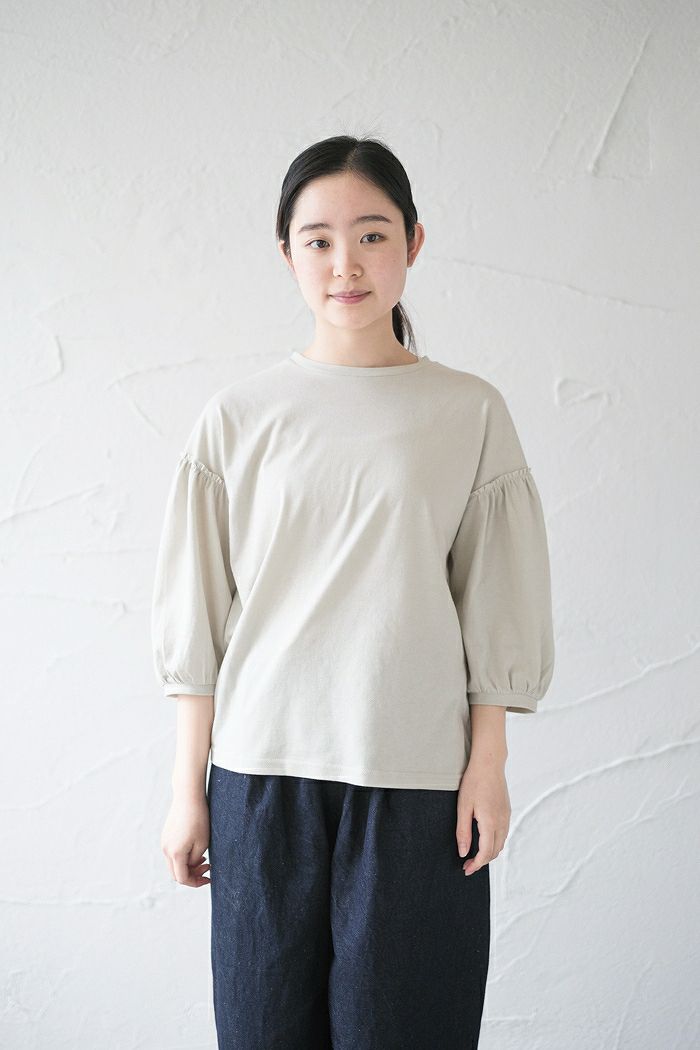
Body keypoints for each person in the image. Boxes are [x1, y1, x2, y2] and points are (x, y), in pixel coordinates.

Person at [151, 133, 555, 1050]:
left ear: (414, 242)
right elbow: (197, 618)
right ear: (287, 254)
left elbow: (496, 599)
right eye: (320, 240)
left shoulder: (470, 411)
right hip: (260, 783)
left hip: (416, 787)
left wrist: (488, 765)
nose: (346, 264)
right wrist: (186, 789)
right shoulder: (237, 418)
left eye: (373, 235)